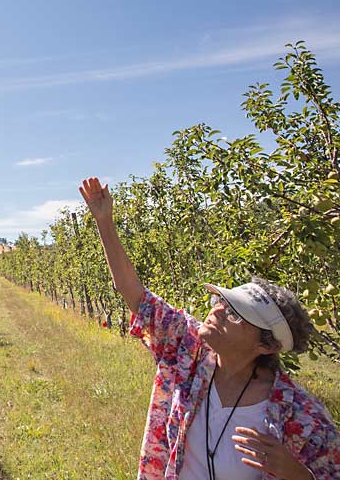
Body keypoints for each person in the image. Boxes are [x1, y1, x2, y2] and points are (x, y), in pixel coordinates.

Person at [79, 176, 340, 479]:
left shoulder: (303, 418)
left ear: (266, 346)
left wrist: (299, 475)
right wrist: (104, 221)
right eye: (221, 301)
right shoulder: (188, 352)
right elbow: (133, 292)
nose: (216, 310)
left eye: (235, 314)